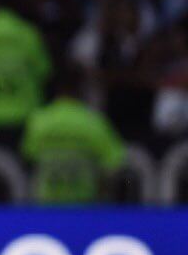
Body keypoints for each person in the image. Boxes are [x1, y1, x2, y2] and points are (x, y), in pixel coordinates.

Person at [21, 70, 126, 204]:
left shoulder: (38, 121)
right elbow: (116, 164)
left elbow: (28, 158)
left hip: (46, 208)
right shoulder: (94, 123)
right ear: (82, 89)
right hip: (86, 209)